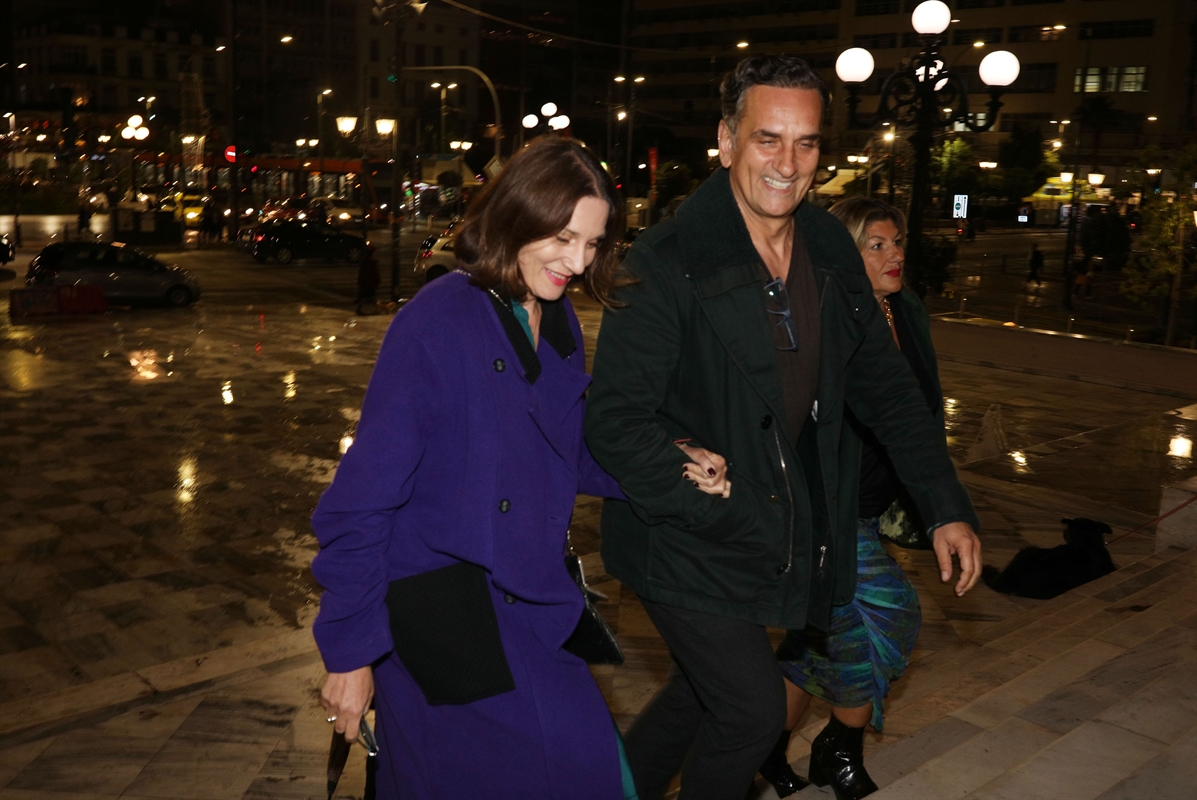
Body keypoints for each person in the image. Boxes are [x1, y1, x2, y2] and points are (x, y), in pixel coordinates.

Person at [584, 54, 982, 800]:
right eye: (767, 139)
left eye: (805, 143)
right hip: (683, 532)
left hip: (776, 531)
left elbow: (887, 389)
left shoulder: (827, 248)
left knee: (699, 695)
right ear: (726, 140)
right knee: (749, 711)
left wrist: (944, 505)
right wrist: (701, 489)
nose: (787, 163)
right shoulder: (668, 260)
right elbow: (613, 420)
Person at [311, 137, 728, 800]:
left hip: (529, 604)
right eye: (563, 237)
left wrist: (670, 460)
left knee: (587, 772)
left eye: (592, 243)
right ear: (515, 217)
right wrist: (351, 651)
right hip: (440, 617)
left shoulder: (555, 321)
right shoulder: (437, 321)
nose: (578, 261)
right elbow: (361, 501)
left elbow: (568, 450)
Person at [758, 197, 944, 799]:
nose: (895, 255)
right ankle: (839, 750)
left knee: (818, 638)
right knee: (889, 611)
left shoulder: (906, 311)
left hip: (871, 503)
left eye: (898, 242)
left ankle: (765, 750)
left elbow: (918, 408)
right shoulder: (821, 316)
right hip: (823, 508)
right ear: (842, 254)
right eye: (876, 245)